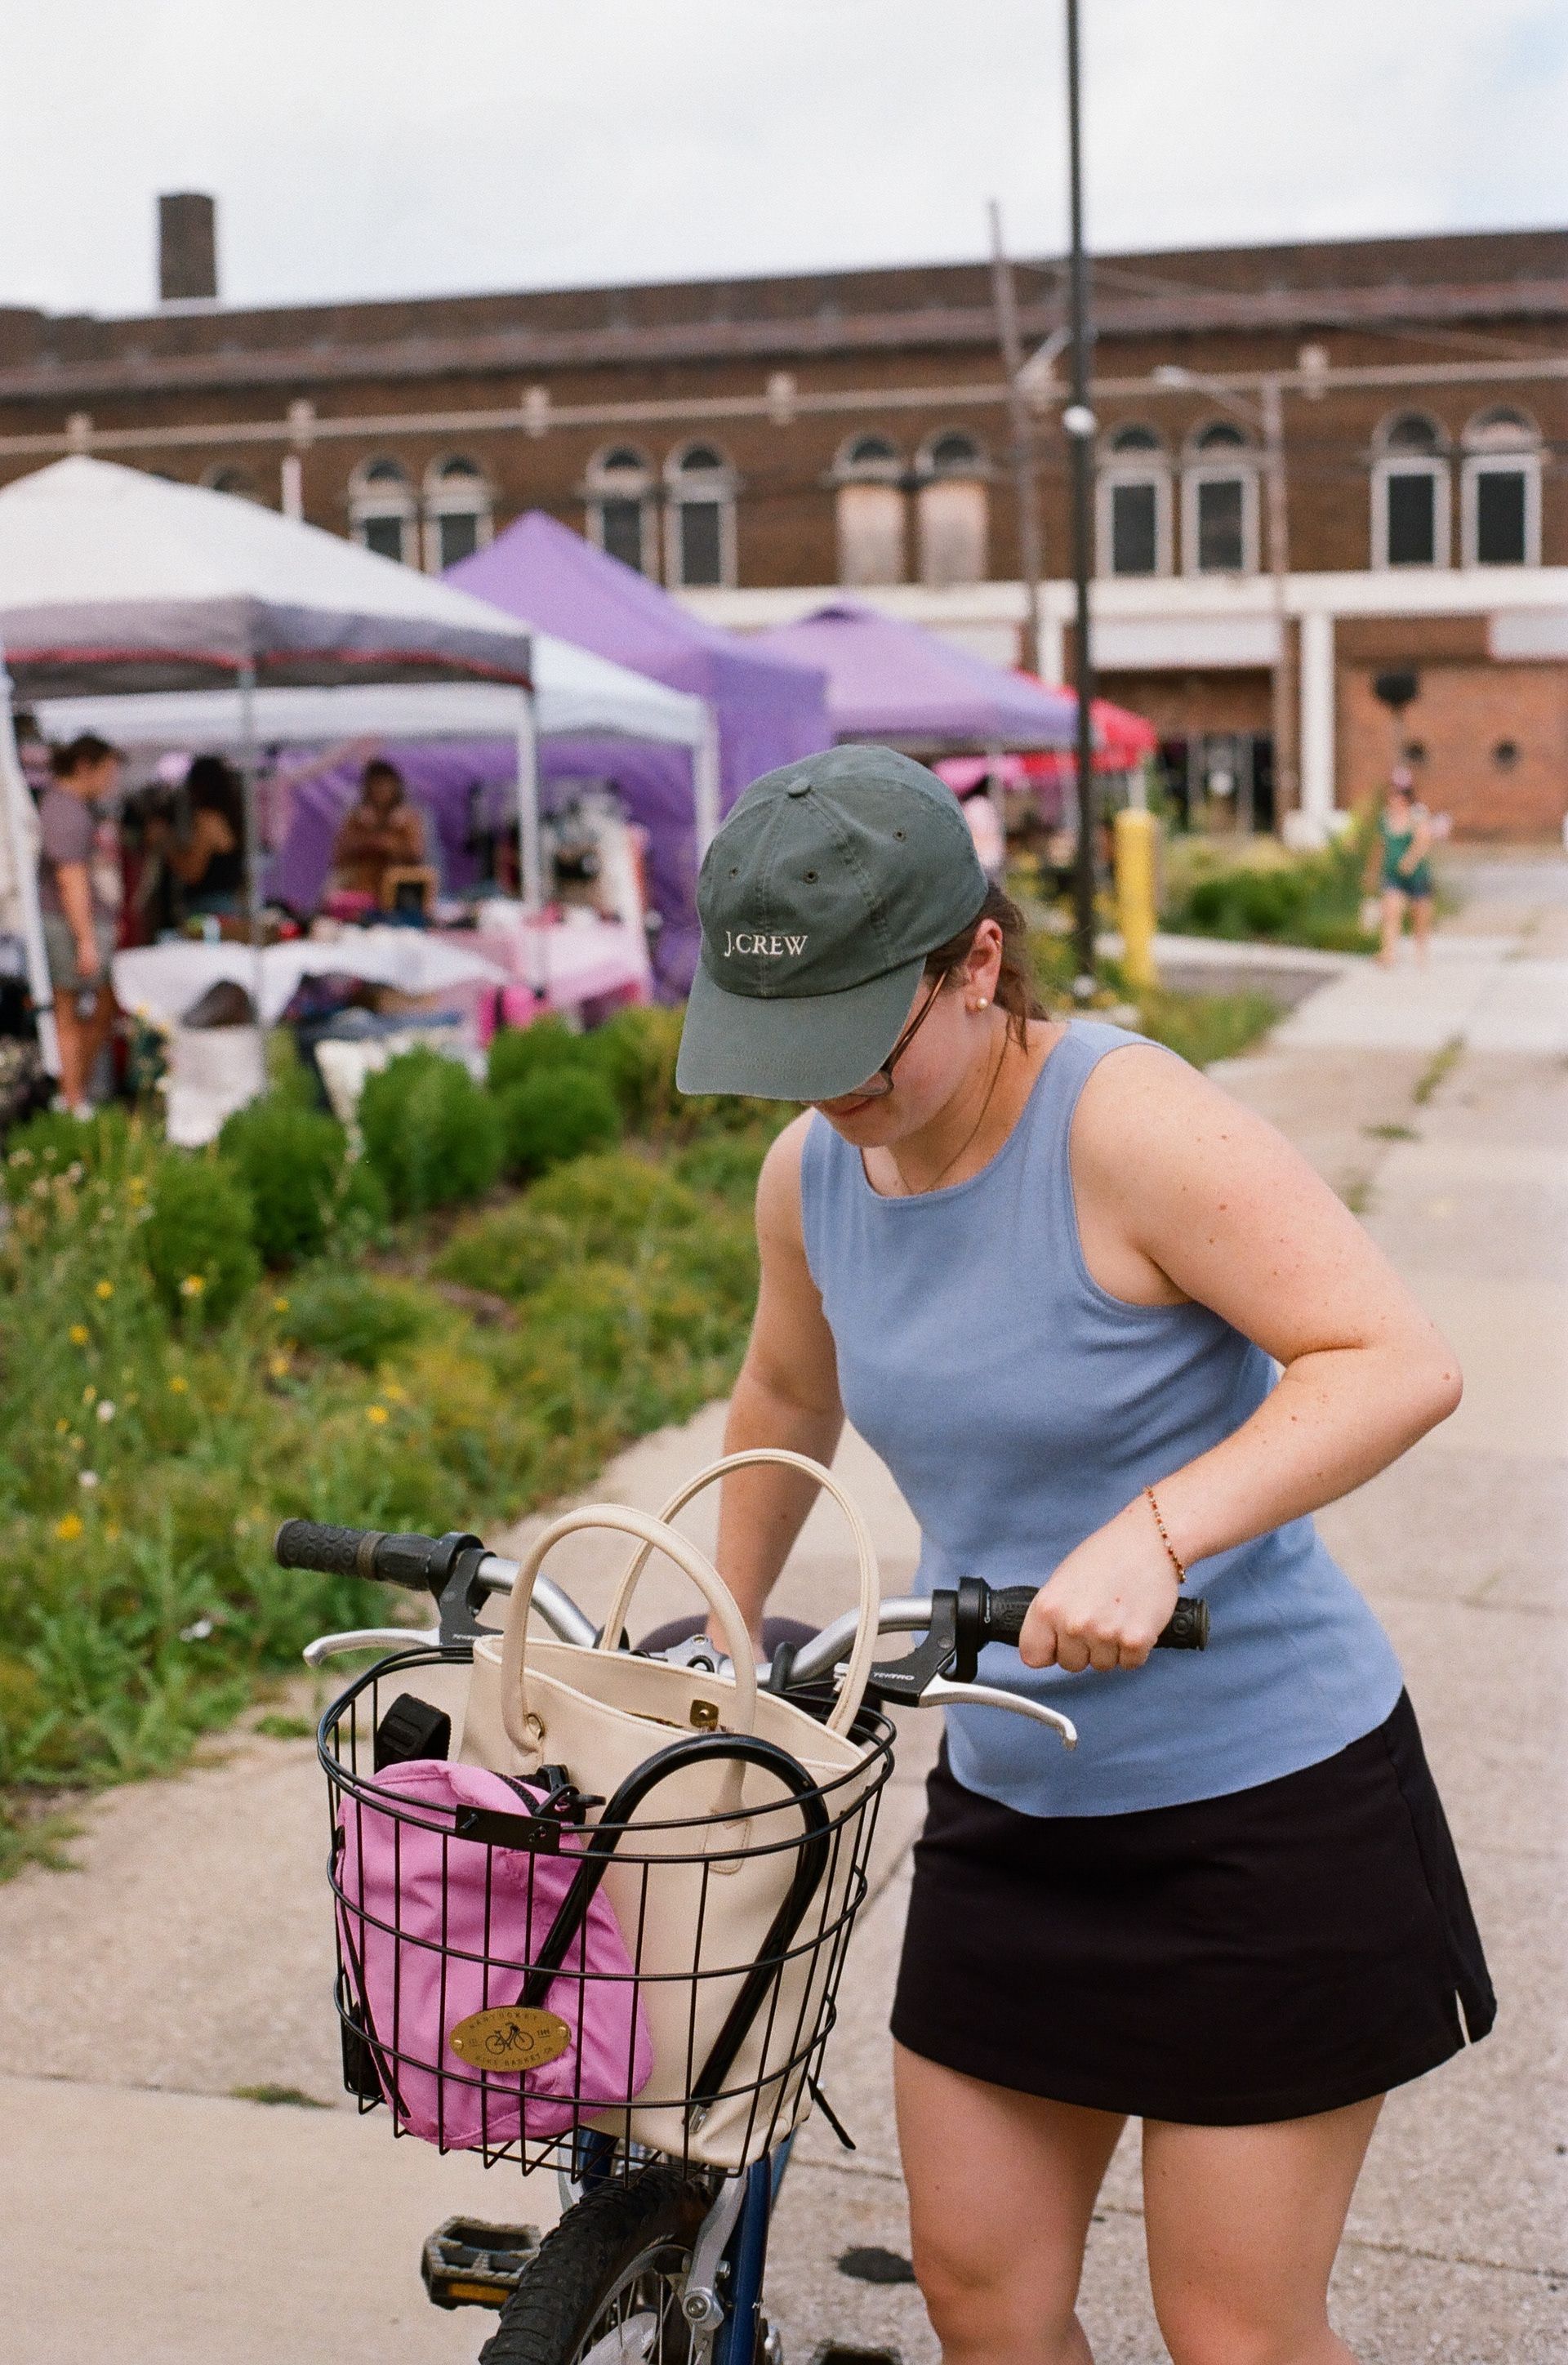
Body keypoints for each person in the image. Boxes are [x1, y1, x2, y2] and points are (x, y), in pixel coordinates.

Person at [675, 745, 1492, 2365]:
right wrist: (717, 1609)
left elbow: (1393, 1356)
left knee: (1235, 2330)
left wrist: (1159, 1528)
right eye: (792, 1046)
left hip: (1269, 1814)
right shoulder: (813, 1173)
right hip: (1017, 1802)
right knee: (984, 2297)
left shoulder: (1130, 1125)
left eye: (860, 1035)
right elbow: (785, 1389)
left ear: (978, 961)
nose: (827, 1087)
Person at [38, 733, 122, 1116]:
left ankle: (75, 1095)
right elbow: (70, 877)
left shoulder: (71, 806)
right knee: (72, 1009)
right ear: (85, 766)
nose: (110, 781)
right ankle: (72, 1098)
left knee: (92, 1007)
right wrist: (86, 939)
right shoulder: (65, 809)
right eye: (107, 771)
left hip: (77, 924)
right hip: (69, 925)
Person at [331, 758, 426, 903]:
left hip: (399, 894)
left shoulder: (408, 819)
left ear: (395, 787)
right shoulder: (356, 819)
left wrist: (389, 845)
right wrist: (367, 843)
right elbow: (339, 857)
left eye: (385, 785)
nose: (380, 791)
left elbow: (416, 854)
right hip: (360, 892)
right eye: (376, 785)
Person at [163, 754, 247, 918]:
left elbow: (193, 872)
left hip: (209, 910)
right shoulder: (230, 817)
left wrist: (166, 846)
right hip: (227, 906)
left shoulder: (207, 819)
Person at [1370, 768, 1434, 967]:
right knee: (1391, 912)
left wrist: (1410, 860)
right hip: (1393, 875)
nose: (1394, 800)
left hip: (1417, 876)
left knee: (1419, 917)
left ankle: (1421, 953)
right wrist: (1372, 871)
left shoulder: (1417, 814)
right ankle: (1388, 953)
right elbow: (1379, 846)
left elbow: (1423, 841)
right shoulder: (1385, 818)